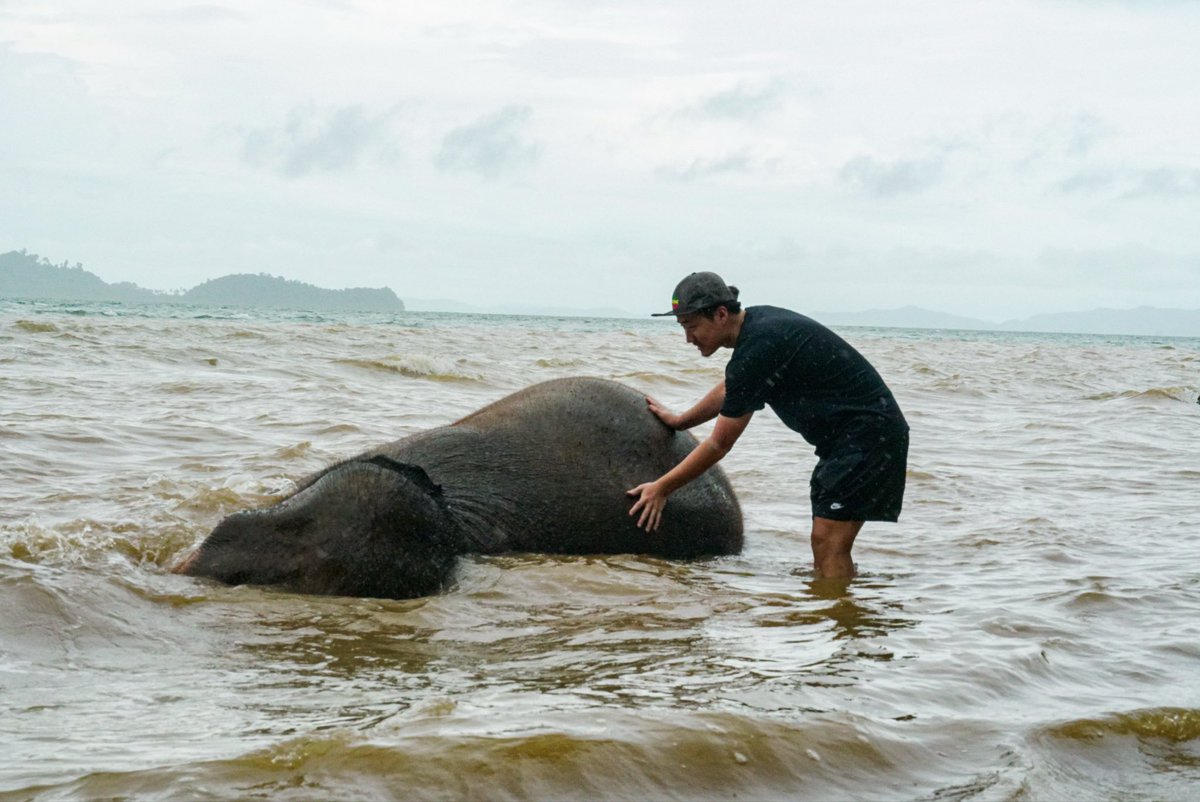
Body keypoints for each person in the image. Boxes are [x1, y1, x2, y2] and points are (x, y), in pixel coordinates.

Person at [626, 271, 909, 579]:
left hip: (866, 437)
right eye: (683, 327)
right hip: (854, 439)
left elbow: (719, 444)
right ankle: (837, 606)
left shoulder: (759, 347)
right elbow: (733, 386)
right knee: (827, 541)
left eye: (692, 326)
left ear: (721, 314)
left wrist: (662, 488)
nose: (688, 338)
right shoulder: (758, 329)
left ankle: (843, 618)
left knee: (829, 542)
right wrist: (682, 420)